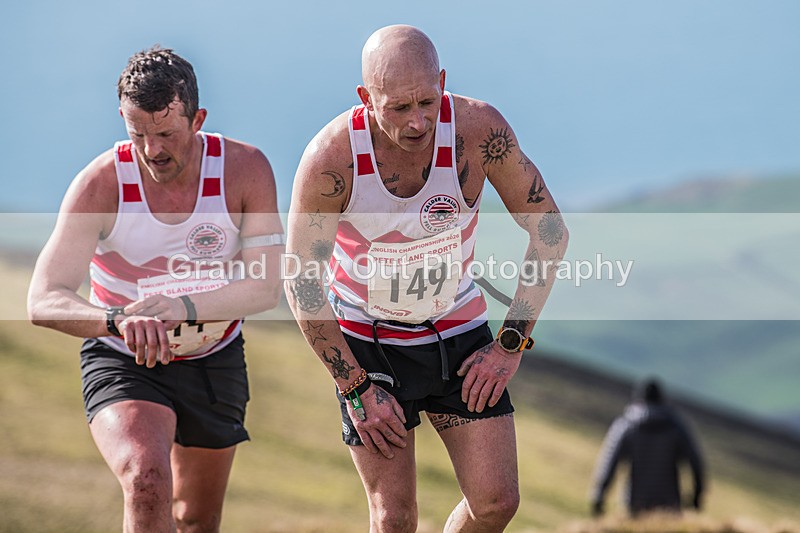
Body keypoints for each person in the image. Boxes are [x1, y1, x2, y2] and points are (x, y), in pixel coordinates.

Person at [285, 25, 568, 531]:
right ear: (366, 98)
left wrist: (509, 344)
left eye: (428, 101)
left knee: (497, 503)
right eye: (397, 108)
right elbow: (301, 280)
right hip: (367, 343)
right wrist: (354, 387)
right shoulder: (332, 158)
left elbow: (549, 232)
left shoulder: (479, 132)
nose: (417, 122)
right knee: (394, 519)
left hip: (456, 334)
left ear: (442, 81)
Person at [27, 46, 284, 532]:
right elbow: (42, 298)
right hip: (124, 357)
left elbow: (265, 287)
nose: (152, 151)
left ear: (198, 118)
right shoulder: (100, 184)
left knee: (197, 520)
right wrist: (118, 320)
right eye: (137, 134)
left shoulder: (245, 170)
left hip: (214, 356)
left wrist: (180, 307)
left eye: (166, 133)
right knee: (146, 481)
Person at [590, 378, 705, 517]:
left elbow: (609, 461)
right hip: (669, 504)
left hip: (635, 502)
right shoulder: (676, 427)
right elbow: (695, 462)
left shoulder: (627, 425)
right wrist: (697, 495)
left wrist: (599, 495)